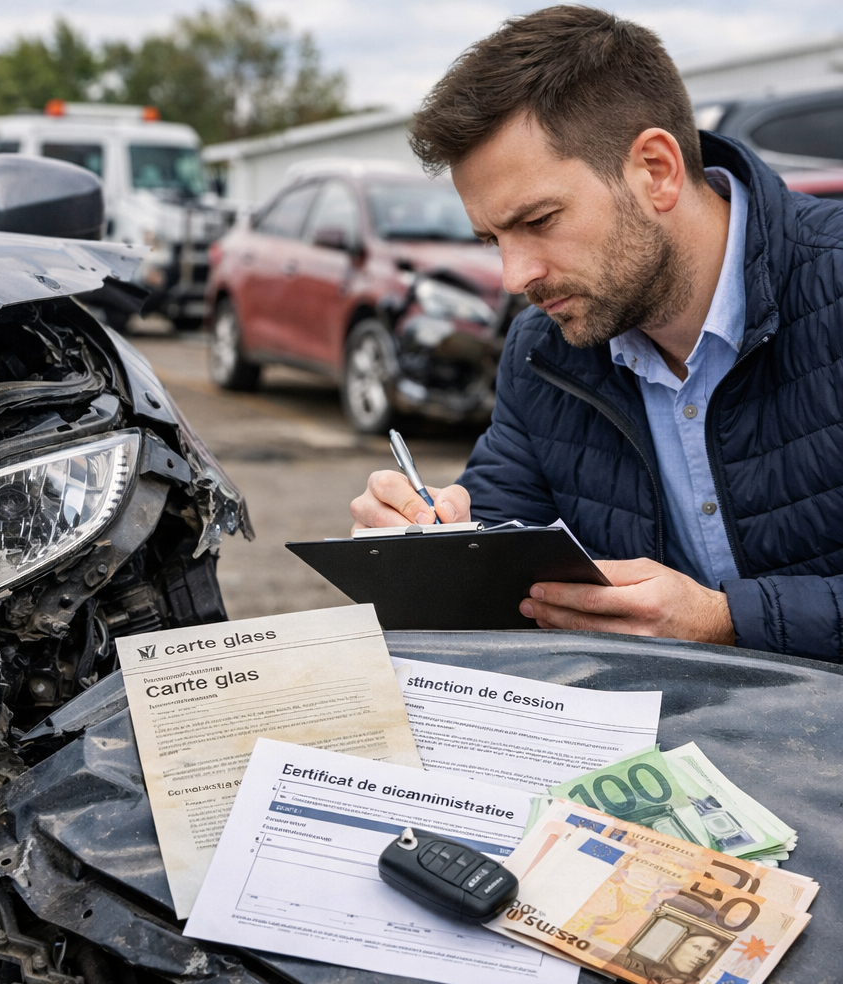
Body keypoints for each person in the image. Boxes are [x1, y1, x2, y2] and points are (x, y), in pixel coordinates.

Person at [350, 5, 843, 662]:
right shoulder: (540, 352)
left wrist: (728, 620)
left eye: (539, 220)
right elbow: (503, 550)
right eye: (493, 238)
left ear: (657, 171)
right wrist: (427, 545)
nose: (513, 275)